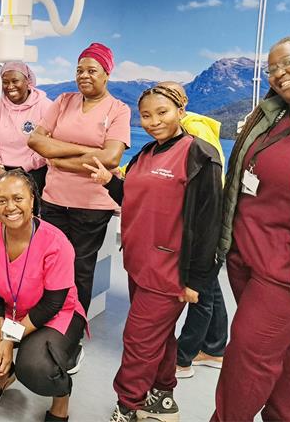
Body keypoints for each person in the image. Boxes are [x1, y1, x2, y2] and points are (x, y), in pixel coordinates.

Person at [210, 35, 290, 422]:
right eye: (272, 68)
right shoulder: (272, 116)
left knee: (247, 355)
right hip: (245, 258)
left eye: (289, 62)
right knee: (276, 350)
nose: (279, 73)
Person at [82, 84, 223, 422]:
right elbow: (134, 199)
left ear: (180, 111)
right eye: (146, 115)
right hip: (139, 263)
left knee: (138, 340)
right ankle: (161, 399)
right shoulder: (146, 152)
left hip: (170, 270)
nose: (154, 121)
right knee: (158, 338)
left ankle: (128, 406)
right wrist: (110, 182)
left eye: (163, 113)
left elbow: (209, 224)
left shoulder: (199, 155)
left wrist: (197, 281)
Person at [0, 170, 86, 422]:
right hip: (7, 308)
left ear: (33, 200)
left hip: (53, 315)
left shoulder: (56, 242)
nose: (10, 207)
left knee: (36, 367)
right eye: (1, 201)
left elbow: (51, 304)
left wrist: (7, 338)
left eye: (18, 198)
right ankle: (3, 374)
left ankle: (61, 393)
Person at [28, 42, 131, 314]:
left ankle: (74, 325)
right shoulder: (63, 101)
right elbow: (36, 141)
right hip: (54, 199)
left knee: (81, 268)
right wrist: (89, 151)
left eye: (92, 70)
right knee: (50, 263)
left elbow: (110, 159)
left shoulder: (118, 109)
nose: (84, 75)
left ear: (106, 74)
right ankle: (47, 319)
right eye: (79, 70)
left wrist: (59, 156)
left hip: (93, 205)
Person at [154, 82, 228, 379]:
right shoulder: (183, 129)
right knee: (213, 288)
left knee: (201, 293)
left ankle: (182, 358)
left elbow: (202, 176)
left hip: (201, 223)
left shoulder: (194, 130)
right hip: (203, 220)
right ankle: (214, 348)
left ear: (180, 105)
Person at [0, 62, 52, 227]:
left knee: (30, 197)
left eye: (15, 81)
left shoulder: (45, 107)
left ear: (28, 81)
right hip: (0, 165)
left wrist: (24, 168)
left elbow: (48, 147)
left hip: (32, 167)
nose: (10, 86)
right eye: (5, 82)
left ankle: (29, 240)